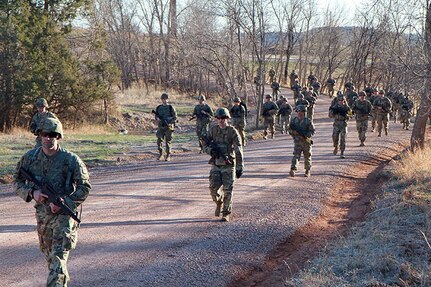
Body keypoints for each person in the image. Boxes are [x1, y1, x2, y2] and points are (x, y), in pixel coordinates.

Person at [14, 117, 91, 287]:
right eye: (45, 134)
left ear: (59, 136)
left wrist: (67, 202)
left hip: (63, 217)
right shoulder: (30, 158)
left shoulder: (71, 160)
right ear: (40, 135)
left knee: (58, 258)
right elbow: (16, 180)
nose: (48, 138)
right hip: (43, 218)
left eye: (52, 135)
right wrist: (32, 193)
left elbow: (84, 186)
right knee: (51, 259)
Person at [201, 107, 244, 222]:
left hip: (229, 164)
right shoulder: (213, 130)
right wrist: (210, 151)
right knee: (213, 189)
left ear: (227, 119)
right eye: (219, 118)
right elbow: (204, 144)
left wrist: (240, 166)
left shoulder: (232, 131)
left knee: (228, 189)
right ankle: (219, 202)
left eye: (223, 118)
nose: (221, 120)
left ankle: (226, 213)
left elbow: (239, 149)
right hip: (216, 163)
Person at [288, 105, 315, 177]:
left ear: (304, 112)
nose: (300, 113)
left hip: (306, 142)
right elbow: (289, 130)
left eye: (301, 112)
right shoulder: (294, 121)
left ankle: (307, 170)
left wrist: (306, 136)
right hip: (297, 142)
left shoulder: (308, 121)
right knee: (296, 156)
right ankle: (293, 169)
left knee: (307, 156)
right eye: (298, 111)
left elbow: (312, 131)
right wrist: (294, 133)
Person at [154, 93, 177, 161]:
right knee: (159, 140)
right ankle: (161, 154)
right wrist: (157, 119)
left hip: (168, 127)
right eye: (163, 99)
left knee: (168, 141)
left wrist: (170, 123)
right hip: (161, 126)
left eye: (165, 99)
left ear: (167, 99)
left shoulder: (170, 107)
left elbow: (175, 117)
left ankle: (168, 155)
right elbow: (156, 116)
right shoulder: (159, 107)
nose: (164, 100)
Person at [329, 93, 352, 158]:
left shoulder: (347, 107)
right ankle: (336, 146)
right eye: (339, 100)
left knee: (343, 139)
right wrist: (334, 113)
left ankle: (342, 152)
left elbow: (351, 115)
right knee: (335, 138)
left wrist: (347, 116)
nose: (341, 101)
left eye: (342, 100)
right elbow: (330, 115)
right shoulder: (335, 107)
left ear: (344, 101)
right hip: (336, 124)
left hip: (343, 124)